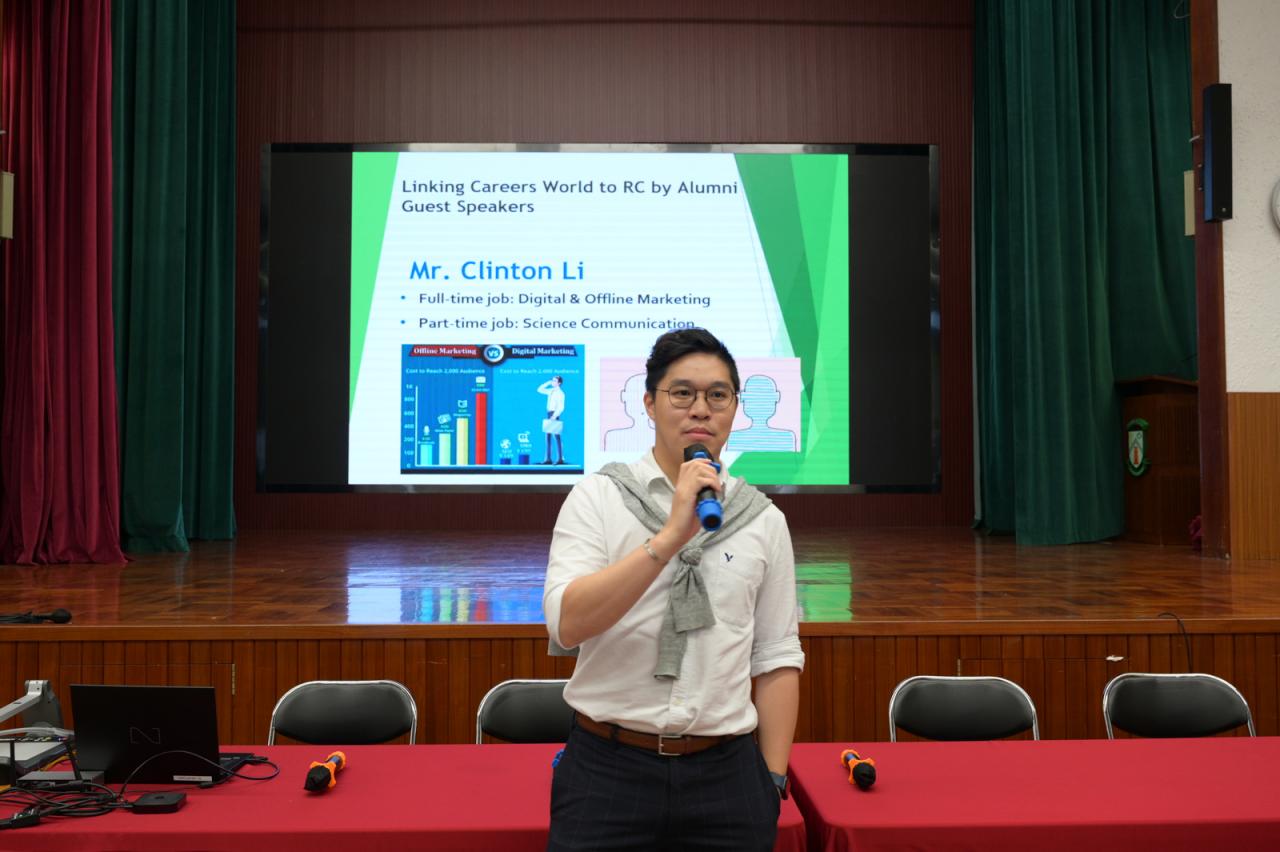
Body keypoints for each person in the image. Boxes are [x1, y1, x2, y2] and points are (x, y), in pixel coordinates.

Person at [543, 328, 804, 851]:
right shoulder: (598, 497)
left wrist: (772, 781)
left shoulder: (763, 519)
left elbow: (776, 655)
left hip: (727, 777)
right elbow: (567, 625)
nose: (700, 409)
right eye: (682, 393)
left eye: (718, 395)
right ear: (650, 403)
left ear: (734, 407)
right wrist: (667, 539)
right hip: (607, 769)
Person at [538, 376, 567, 464]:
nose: (553, 382)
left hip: (554, 414)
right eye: (552, 380)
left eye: (554, 381)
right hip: (549, 413)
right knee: (548, 436)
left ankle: (560, 458)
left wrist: (554, 416)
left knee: (557, 437)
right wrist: (548, 382)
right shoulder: (551, 391)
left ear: (559, 383)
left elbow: (561, 407)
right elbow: (539, 389)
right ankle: (548, 459)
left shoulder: (560, 393)